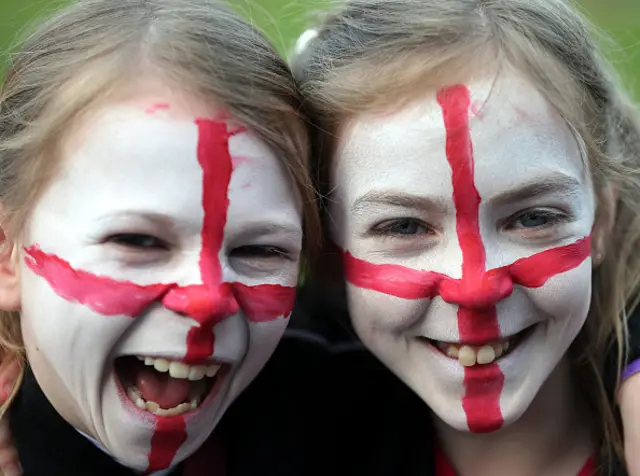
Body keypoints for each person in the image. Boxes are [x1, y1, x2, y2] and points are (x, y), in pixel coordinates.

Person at [292, 0, 640, 474]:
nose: (474, 288)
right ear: (328, 250)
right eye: (404, 226)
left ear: (600, 221)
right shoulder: (267, 435)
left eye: (534, 218)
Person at [0, 0, 325, 474]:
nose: (207, 300)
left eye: (260, 250)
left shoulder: (358, 424)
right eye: (138, 241)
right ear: (7, 256)